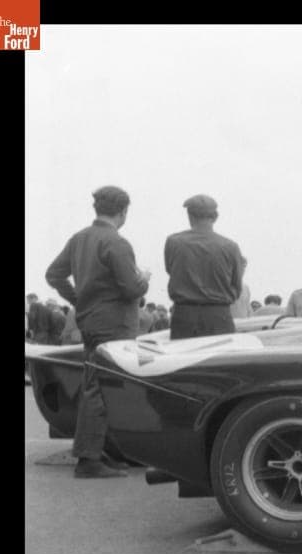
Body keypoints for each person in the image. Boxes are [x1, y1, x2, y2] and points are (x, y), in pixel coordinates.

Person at [45, 185, 151, 478]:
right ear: (123, 211)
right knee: (103, 389)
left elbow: (53, 274)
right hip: (115, 324)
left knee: (95, 385)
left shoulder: (80, 239)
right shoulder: (116, 243)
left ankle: (99, 452)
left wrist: (78, 299)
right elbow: (131, 289)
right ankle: (90, 458)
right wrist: (144, 280)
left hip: (91, 320)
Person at [165, 194, 246, 340]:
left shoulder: (174, 242)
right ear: (215, 217)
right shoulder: (230, 247)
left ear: (189, 216)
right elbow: (236, 286)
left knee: (184, 361)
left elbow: (171, 270)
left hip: (184, 316)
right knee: (220, 361)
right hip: (219, 316)